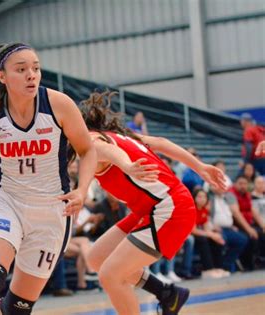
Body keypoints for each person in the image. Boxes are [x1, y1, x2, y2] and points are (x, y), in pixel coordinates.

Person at [0, 43, 97, 315]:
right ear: (2, 76)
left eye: (36, 68)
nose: (31, 74)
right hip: (8, 201)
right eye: (21, 69)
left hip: (53, 209)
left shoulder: (59, 104)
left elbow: (88, 150)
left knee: (17, 309)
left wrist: (82, 190)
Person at [72, 91, 227, 315]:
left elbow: (107, 151)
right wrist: (200, 167)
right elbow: (161, 142)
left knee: (110, 275)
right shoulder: (119, 134)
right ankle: (166, 292)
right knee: (96, 258)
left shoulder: (93, 141)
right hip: (150, 208)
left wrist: (126, 165)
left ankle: (165, 294)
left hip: (171, 208)